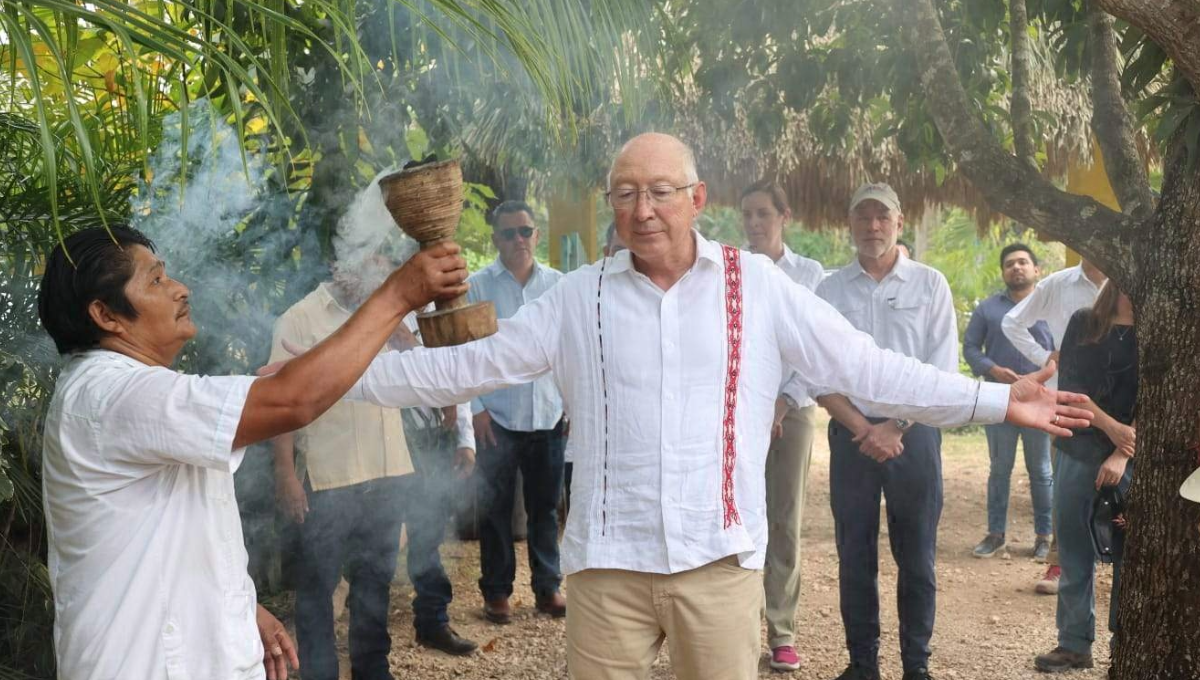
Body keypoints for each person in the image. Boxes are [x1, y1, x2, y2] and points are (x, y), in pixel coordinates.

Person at [324, 134, 1089, 680]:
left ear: (697, 199)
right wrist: (317, 384)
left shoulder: (756, 287)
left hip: (718, 568)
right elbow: (461, 367)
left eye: (659, 191)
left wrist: (994, 399)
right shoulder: (575, 299)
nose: (642, 208)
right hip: (606, 571)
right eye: (625, 193)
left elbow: (867, 366)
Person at [37, 225, 466, 680]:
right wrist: (398, 294)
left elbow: (174, 534)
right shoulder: (112, 394)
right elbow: (293, 399)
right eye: (157, 280)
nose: (181, 289)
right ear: (106, 314)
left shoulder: (120, 389)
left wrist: (240, 604)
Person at [271, 249, 480, 678]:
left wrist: (410, 344)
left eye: (384, 263)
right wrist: (287, 474)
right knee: (317, 591)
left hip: (389, 474)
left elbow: (432, 374)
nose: (381, 273)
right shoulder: (299, 319)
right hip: (330, 479)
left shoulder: (387, 317)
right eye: (370, 261)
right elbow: (280, 402)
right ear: (336, 262)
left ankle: (372, 671)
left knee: (374, 584)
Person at [814, 183, 959, 680]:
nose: (872, 227)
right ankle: (862, 665)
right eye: (862, 217)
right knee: (854, 553)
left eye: (882, 217)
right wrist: (862, 427)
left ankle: (916, 667)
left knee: (916, 556)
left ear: (899, 222)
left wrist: (895, 426)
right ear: (849, 224)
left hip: (914, 438)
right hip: (851, 436)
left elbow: (942, 367)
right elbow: (817, 372)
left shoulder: (929, 284)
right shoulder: (829, 290)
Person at [467, 200, 568, 623]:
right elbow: (464, 351)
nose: (519, 240)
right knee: (494, 510)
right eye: (509, 234)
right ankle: (497, 594)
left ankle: (548, 588)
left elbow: (571, 348)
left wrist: (572, 404)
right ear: (496, 240)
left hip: (548, 415)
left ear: (537, 235)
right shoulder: (477, 287)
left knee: (546, 508)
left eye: (525, 231)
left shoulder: (559, 285)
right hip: (498, 418)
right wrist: (475, 409)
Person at [740, 179, 823, 672]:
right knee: (738, 517)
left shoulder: (809, 273)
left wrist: (783, 401)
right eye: (747, 214)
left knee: (784, 522)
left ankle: (782, 632)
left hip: (795, 411)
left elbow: (811, 346)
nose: (754, 224)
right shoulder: (731, 270)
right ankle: (737, 625)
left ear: (784, 216)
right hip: (738, 410)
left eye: (763, 214)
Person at [1033, 281, 1137, 673]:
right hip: (1077, 449)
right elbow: (1072, 388)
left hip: (1132, 457)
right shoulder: (1085, 322)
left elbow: (1167, 398)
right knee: (1075, 547)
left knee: (1129, 552)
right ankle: (1074, 643)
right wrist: (1113, 430)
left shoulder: (1159, 325)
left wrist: (1121, 452)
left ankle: (1125, 644)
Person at [1002, 258, 1107, 594]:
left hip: (1123, 395)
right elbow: (1012, 322)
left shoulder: (1130, 277)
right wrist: (1045, 356)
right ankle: (1060, 564)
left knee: (1125, 479)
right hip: (1068, 397)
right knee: (1067, 482)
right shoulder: (1058, 284)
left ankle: (1123, 568)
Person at [963, 244, 1055, 563]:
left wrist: (1043, 378)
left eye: (1023, 262)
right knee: (999, 469)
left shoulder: (1049, 308)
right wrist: (993, 370)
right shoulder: (987, 309)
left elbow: (1063, 352)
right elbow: (971, 348)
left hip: (1039, 403)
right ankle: (995, 535)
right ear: (1003, 272)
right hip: (998, 401)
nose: (1016, 267)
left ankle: (1044, 537)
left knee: (1041, 471)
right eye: (1010, 264)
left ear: (1036, 269)